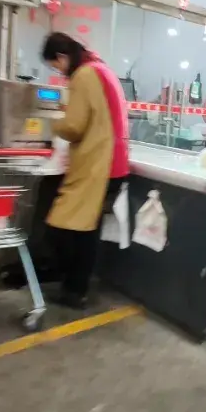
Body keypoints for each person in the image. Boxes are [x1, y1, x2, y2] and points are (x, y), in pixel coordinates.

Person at [42, 32, 130, 308]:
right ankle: (75, 289)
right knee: (85, 230)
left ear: (62, 56)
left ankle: (74, 290)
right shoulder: (101, 68)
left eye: (56, 66)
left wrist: (51, 122)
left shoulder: (84, 75)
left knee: (67, 228)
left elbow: (74, 126)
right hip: (112, 162)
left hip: (98, 165)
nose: (58, 72)